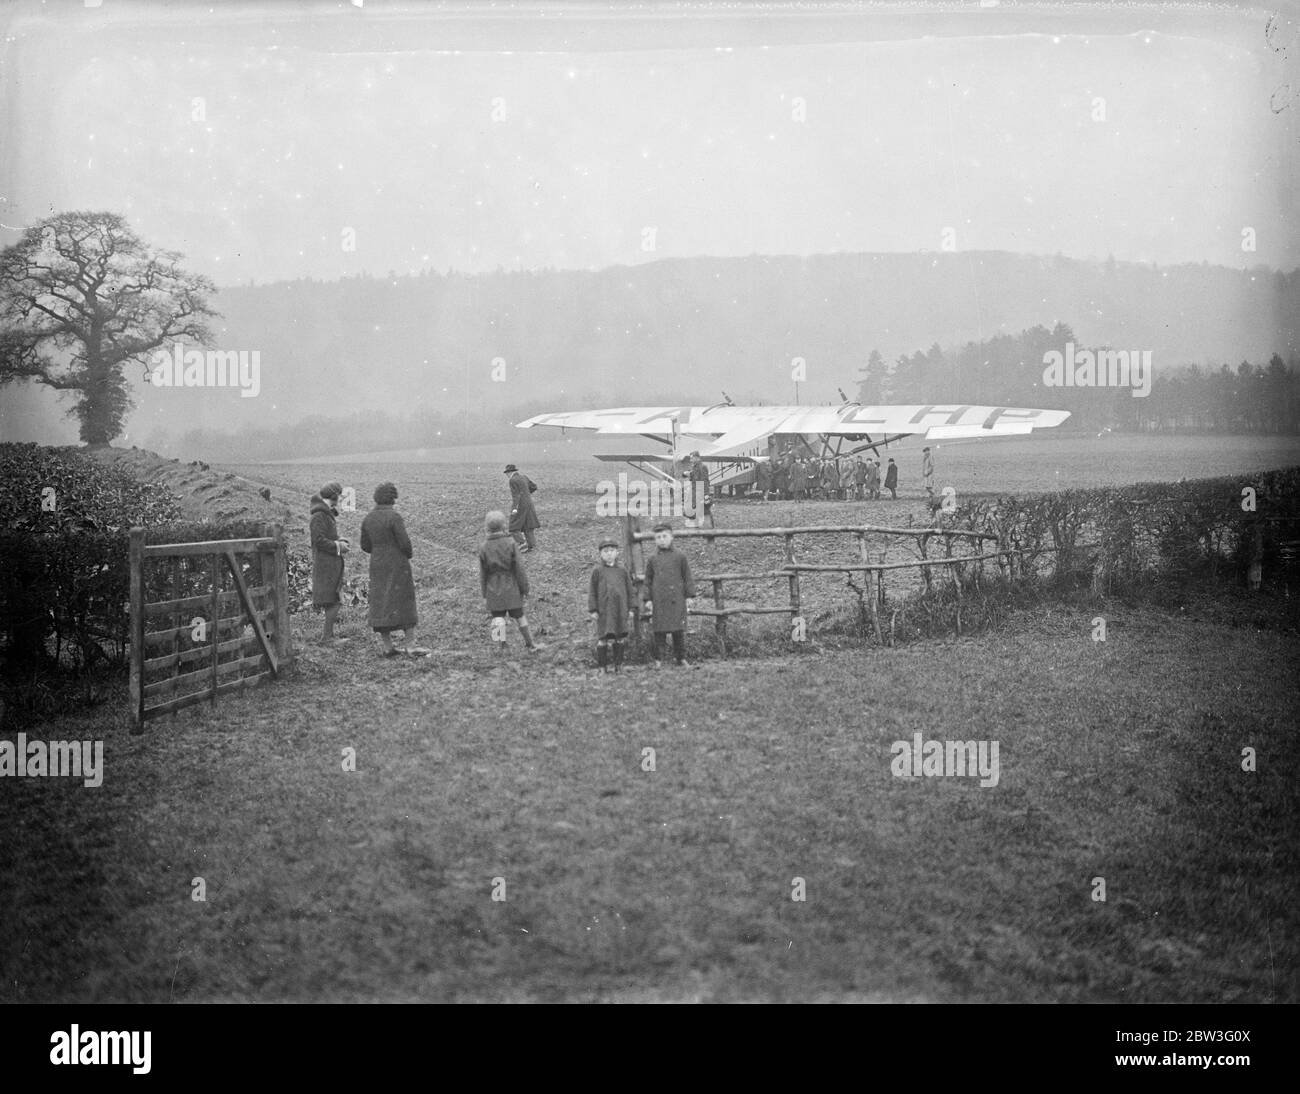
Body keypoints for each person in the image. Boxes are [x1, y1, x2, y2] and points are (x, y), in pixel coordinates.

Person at [360, 481, 428, 656]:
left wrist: (378, 552)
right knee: (404, 600)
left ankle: (387, 646)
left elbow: (365, 545)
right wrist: (407, 554)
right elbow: (405, 543)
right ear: (392, 498)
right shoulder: (394, 517)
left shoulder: (368, 518)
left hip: (377, 564)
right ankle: (410, 644)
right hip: (397, 563)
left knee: (381, 601)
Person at [479, 509, 541, 653]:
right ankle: (530, 643)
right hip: (511, 585)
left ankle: (502, 646)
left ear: (487, 527)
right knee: (520, 615)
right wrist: (525, 588)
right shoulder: (511, 543)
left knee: (497, 618)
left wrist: (484, 594)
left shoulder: (483, 547)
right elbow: (519, 568)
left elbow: (483, 573)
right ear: (503, 526)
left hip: (493, 587)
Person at [642, 522, 696, 668]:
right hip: (659, 599)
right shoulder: (652, 559)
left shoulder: (680, 556)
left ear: (671, 537)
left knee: (678, 630)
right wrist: (648, 599)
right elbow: (647, 580)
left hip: (676, 598)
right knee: (659, 631)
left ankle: (681, 658)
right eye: (658, 537)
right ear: (655, 540)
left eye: (664, 536)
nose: (661, 540)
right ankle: (658, 660)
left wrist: (689, 596)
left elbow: (687, 577)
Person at [310, 481, 350, 644]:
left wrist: (339, 540)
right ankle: (327, 637)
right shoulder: (319, 515)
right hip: (326, 564)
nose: (340, 499)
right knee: (334, 600)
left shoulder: (325, 513)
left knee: (333, 599)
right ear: (333, 496)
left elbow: (325, 537)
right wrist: (338, 545)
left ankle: (329, 636)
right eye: (339, 496)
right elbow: (318, 540)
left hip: (330, 562)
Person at [588, 535, 635, 672]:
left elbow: (630, 590)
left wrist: (631, 608)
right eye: (605, 551)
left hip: (620, 610)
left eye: (611, 550)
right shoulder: (597, 571)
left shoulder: (622, 571)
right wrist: (593, 610)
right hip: (604, 611)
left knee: (619, 638)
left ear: (617, 553)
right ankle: (602, 667)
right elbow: (592, 592)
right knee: (603, 638)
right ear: (600, 554)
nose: (609, 554)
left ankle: (618, 665)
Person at [505, 463, 540, 551]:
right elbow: (534, 487)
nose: (506, 475)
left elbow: (516, 496)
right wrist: (527, 495)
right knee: (528, 525)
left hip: (520, 505)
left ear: (509, 472)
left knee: (513, 527)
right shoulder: (524, 477)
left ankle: (522, 544)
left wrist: (514, 509)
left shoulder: (512, 480)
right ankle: (532, 545)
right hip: (529, 504)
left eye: (506, 473)